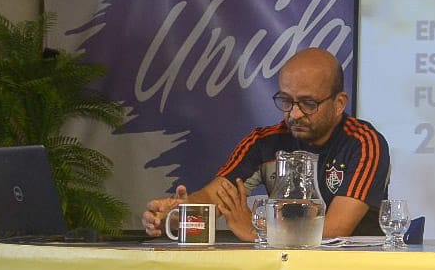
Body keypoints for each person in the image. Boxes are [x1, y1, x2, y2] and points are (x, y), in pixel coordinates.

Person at [142, 47, 390, 241]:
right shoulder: (264, 142)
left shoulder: (364, 143)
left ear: (339, 103)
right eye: (286, 101)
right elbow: (216, 196)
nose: (294, 114)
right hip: (283, 269)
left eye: (308, 103)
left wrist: (257, 230)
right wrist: (180, 213)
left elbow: (335, 229)